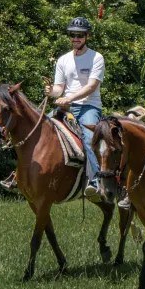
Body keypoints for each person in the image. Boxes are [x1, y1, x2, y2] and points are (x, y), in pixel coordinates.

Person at [49, 16, 108, 201]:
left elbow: (91, 86)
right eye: (73, 35)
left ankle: (98, 181)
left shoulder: (96, 57)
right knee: (38, 127)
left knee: (90, 138)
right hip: (66, 105)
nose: (76, 38)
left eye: (80, 35)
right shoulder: (63, 60)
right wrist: (52, 91)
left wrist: (69, 97)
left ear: (87, 36)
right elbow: (59, 88)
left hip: (89, 106)